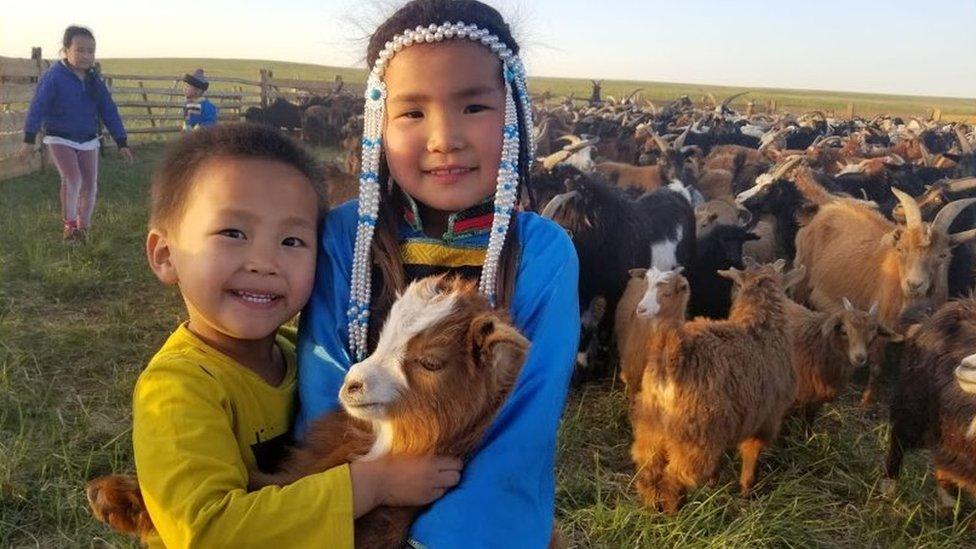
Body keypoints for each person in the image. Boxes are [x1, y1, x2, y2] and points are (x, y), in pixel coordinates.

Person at [295, 1, 580, 546]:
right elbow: (325, 386)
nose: (444, 137)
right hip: (347, 492)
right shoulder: (344, 237)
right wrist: (348, 497)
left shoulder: (544, 254)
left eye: (473, 106)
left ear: (514, 111)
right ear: (379, 121)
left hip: (474, 513)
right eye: (412, 113)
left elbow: (524, 425)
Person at [131, 123, 461, 547]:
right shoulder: (177, 389)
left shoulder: (301, 355)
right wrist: (371, 484)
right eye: (233, 233)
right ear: (165, 256)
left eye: (291, 240)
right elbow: (209, 531)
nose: (265, 261)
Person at [19, 25, 133, 242]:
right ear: (66, 49)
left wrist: (122, 142)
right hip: (59, 136)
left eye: (91, 51)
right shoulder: (53, 77)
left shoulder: (94, 80)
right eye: (80, 50)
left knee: (90, 183)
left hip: (88, 139)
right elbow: (38, 107)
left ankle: (84, 228)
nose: (86, 56)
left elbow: (108, 109)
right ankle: (70, 227)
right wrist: (29, 138)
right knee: (73, 178)